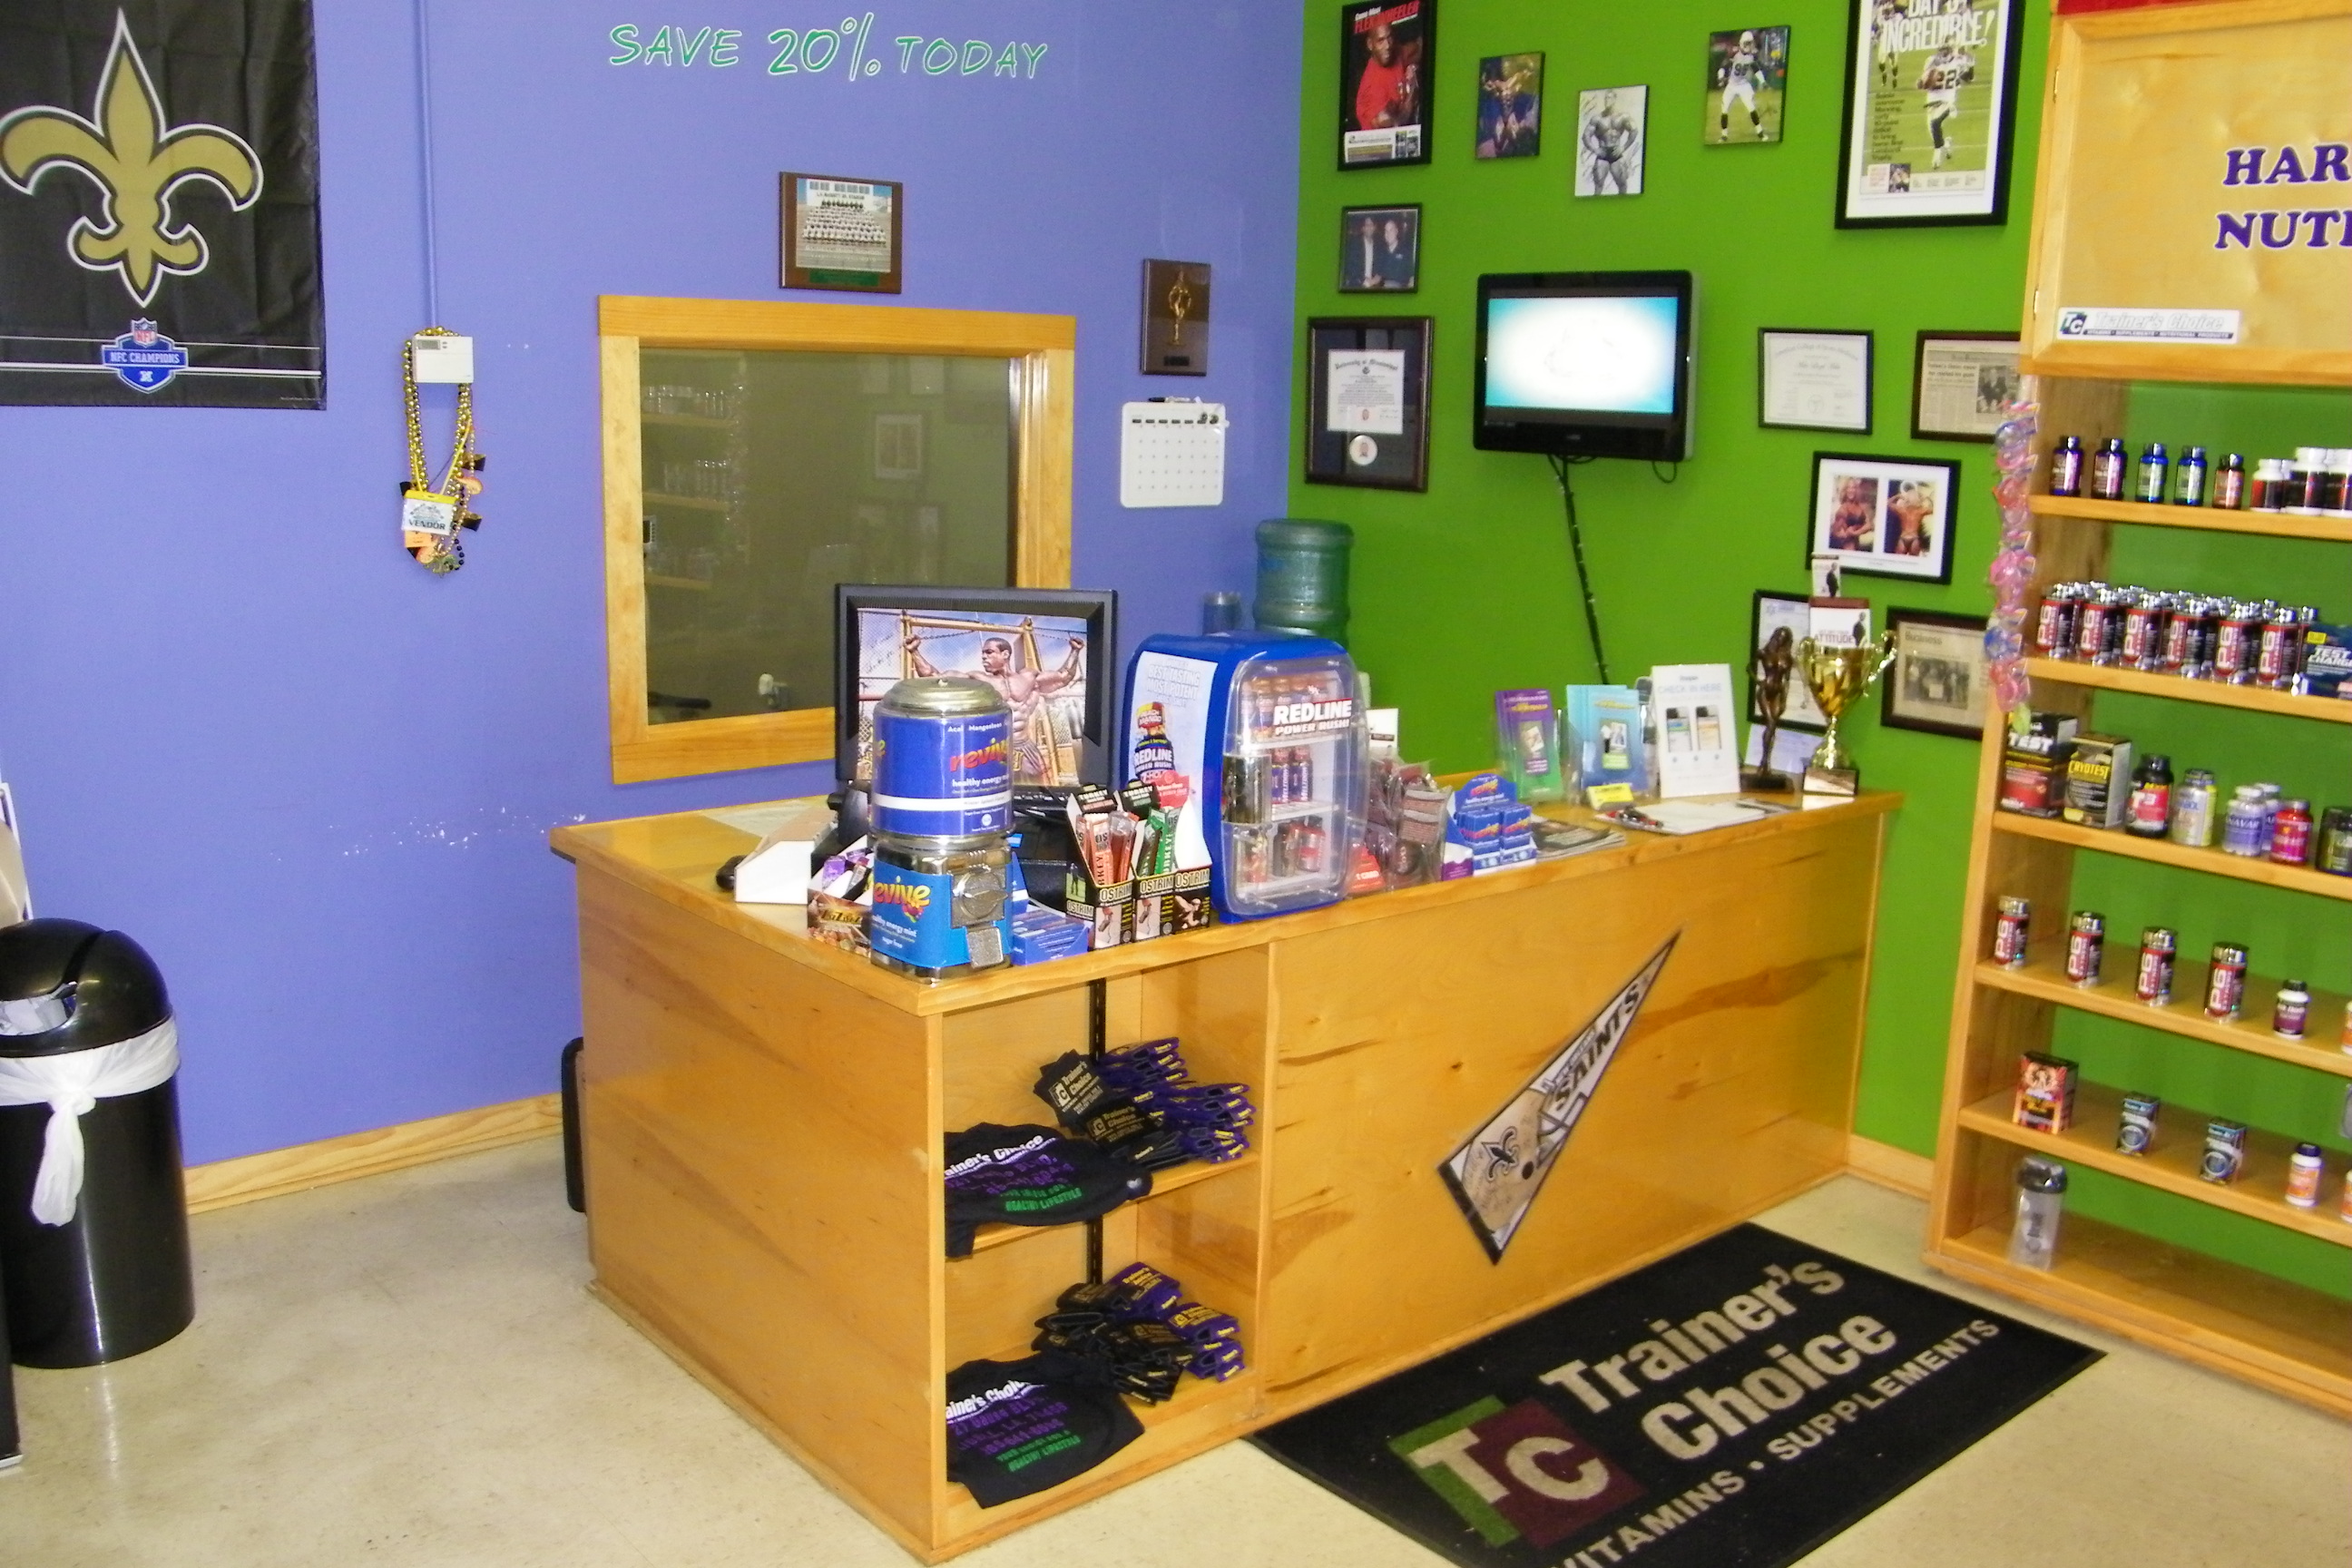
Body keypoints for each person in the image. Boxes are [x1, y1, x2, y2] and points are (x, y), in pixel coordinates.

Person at [905, 630, 1085, 784]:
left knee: (1038, 787)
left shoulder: (1029, 677)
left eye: (989, 652)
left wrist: (1075, 651)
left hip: (1024, 745)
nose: (984, 657)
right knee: (990, 786)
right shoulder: (978, 680)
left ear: (1005, 654)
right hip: (993, 748)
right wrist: (914, 652)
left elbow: (1063, 677)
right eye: (983, 653)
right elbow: (935, 677)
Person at [1351, 19, 1419, 133]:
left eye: (1389, 38)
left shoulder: (1393, 53)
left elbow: (1418, 47)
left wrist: (1412, 66)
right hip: (1383, 142)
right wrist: (1412, 89)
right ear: (1370, 44)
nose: (1387, 46)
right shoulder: (1373, 87)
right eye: (1380, 41)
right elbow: (1396, 125)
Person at [1918, 44, 1975, 169]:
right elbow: (1922, 82)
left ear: (1950, 50)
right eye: (1941, 50)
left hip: (1947, 101)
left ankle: (1936, 156)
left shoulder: (1957, 61)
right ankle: (1946, 145)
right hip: (1932, 102)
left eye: (1946, 50)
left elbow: (1968, 78)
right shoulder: (1931, 61)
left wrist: (1970, 66)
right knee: (1934, 134)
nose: (1943, 53)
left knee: (1935, 123)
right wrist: (1922, 83)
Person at [1582, 91, 1639, 195]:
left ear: (1614, 100)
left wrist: (1624, 147)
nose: (1607, 100)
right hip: (1602, 154)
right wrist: (1595, 150)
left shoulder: (1623, 117)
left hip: (1616, 153)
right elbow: (1585, 136)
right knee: (1598, 185)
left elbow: (1634, 131)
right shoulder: (1597, 119)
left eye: (1609, 98)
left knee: (1622, 184)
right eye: (1605, 98)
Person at [1716, 32, 1765, 142]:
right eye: (1748, 43)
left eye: (1751, 43)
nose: (1750, 45)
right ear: (1742, 43)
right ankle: (1724, 135)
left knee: (1751, 107)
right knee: (1724, 109)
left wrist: (1763, 81)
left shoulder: (1752, 55)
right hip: (1732, 85)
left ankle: (1760, 132)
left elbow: (1756, 69)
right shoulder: (1734, 53)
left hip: (1744, 85)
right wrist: (1721, 77)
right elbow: (1723, 66)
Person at [1828, 478, 1876, 551]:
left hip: (1855, 542)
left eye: (1853, 488)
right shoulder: (1843, 508)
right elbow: (1837, 532)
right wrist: (1846, 533)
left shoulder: (1860, 506)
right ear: (1845, 490)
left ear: (1857, 490)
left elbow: (1869, 525)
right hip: (1844, 544)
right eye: (1848, 488)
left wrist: (1855, 532)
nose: (1851, 490)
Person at [1886, 483, 1935, 555]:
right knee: (1899, 558)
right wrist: (1898, 496)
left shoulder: (1920, 511)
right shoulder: (1902, 510)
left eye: (1914, 497)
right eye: (1911, 497)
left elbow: (1933, 510)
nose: (1912, 499)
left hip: (1914, 538)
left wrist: (1927, 498)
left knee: (1913, 558)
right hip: (1904, 537)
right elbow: (1888, 504)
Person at [1343, 213, 1382, 289]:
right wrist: (1363, 279)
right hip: (1357, 282)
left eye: (1371, 225)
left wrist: (1377, 277)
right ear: (1363, 228)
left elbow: (1380, 265)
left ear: (1374, 227)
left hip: (1374, 283)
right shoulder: (1355, 244)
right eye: (1367, 225)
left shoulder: (1378, 245)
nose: (1369, 227)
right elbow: (1351, 266)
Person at [1375, 214, 1415, 287]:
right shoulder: (1381, 252)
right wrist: (1370, 282)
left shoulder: (1406, 250)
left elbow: (1412, 276)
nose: (1388, 234)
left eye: (1391, 230)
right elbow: (1378, 275)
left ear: (1396, 231)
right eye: (1386, 231)